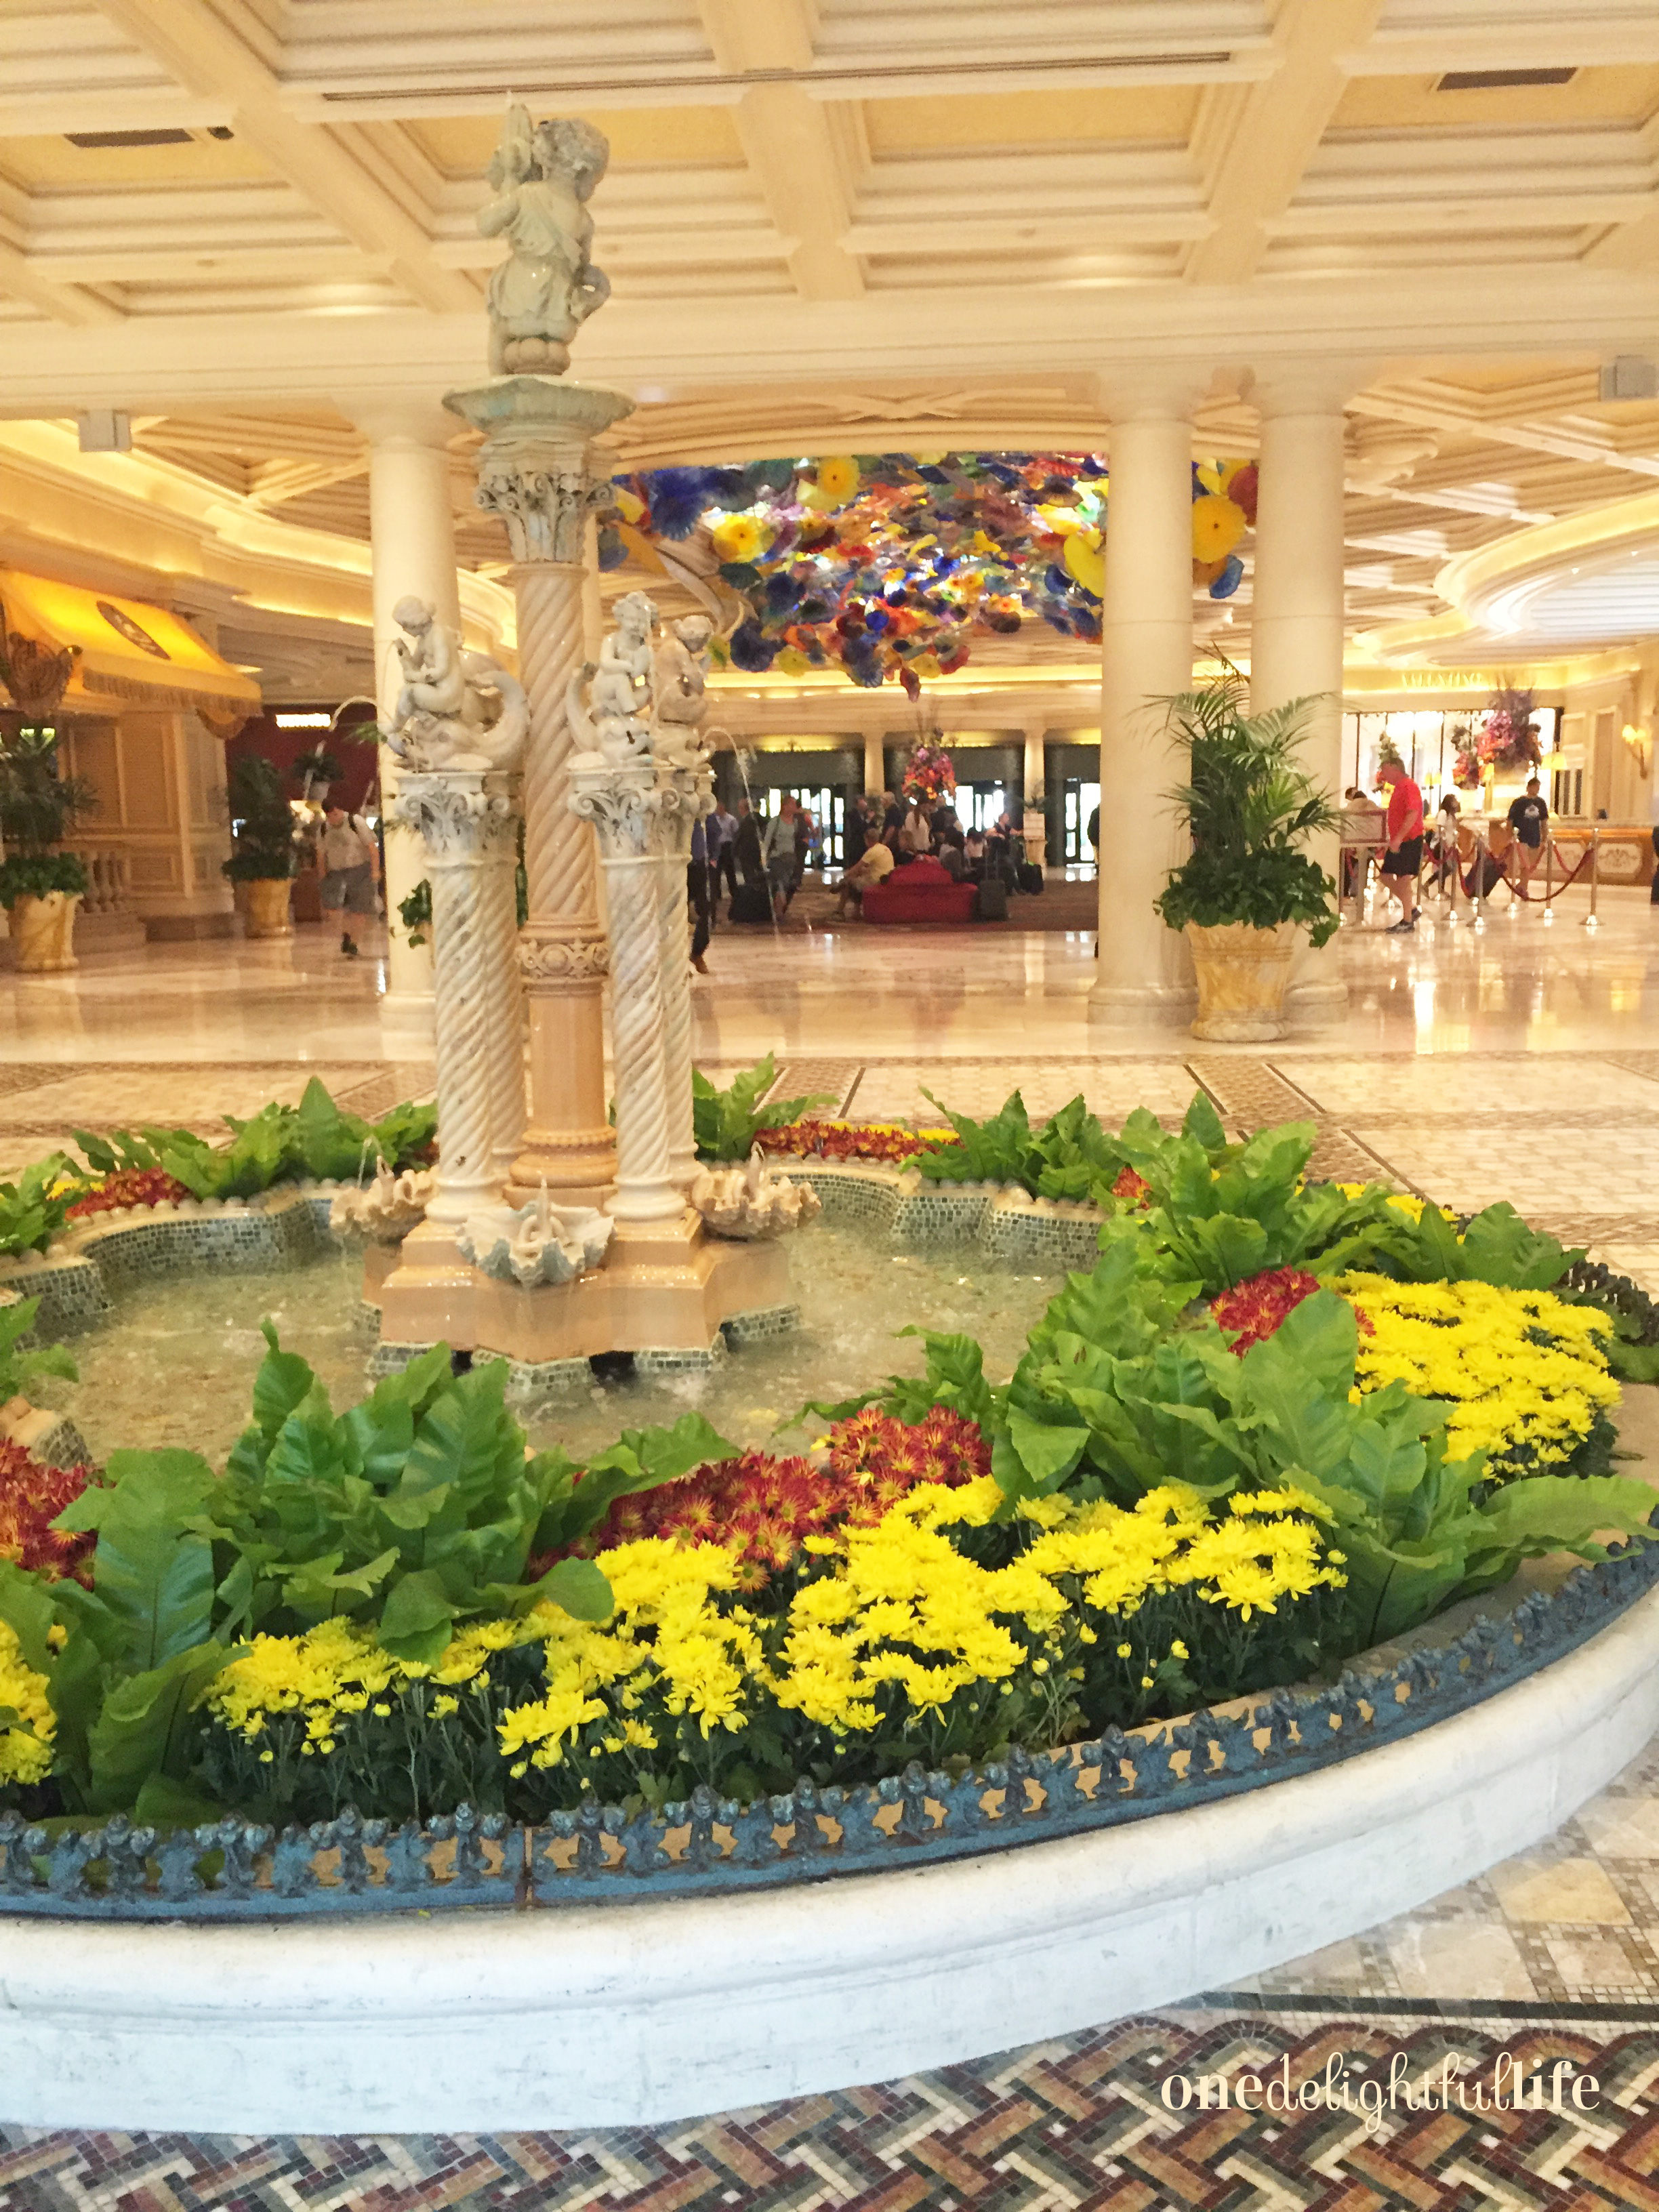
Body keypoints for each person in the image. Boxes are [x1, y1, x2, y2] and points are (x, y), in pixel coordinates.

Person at [317, 800, 380, 957]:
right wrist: (322, 875)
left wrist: (375, 871)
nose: (334, 818)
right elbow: (320, 854)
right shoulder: (324, 829)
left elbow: (371, 847)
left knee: (359, 908)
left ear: (341, 810)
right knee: (333, 907)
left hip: (360, 868)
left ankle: (354, 944)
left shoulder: (355, 822)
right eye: (330, 815)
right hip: (336, 871)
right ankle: (346, 933)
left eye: (336, 814)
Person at [1375, 757, 1424, 932]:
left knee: (1403, 879)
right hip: (1399, 841)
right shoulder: (1398, 788)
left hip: (1408, 840)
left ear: (1395, 769)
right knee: (1386, 876)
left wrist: (1399, 838)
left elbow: (1412, 813)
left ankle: (1407, 920)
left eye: (1385, 770)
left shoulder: (1408, 786)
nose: (1383, 775)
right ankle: (1410, 909)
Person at [836, 832, 894, 918]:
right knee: (857, 881)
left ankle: (839, 911)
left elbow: (857, 867)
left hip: (875, 881)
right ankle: (856, 912)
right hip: (886, 879)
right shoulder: (885, 849)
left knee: (847, 884)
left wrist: (845, 875)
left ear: (867, 840)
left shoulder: (872, 851)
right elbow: (877, 868)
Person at [1506, 777, 1549, 892]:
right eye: (1535, 786)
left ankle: (1522, 885)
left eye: (1538, 787)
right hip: (1522, 837)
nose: (1537, 789)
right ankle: (1524, 888)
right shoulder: (1519, 802)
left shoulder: (1541, 803)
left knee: (1530, 865)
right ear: (1529, 787)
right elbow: (1510, 820)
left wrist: (1545, 837)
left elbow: (1544, 821)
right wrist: (1510, 835)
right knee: (1525, 865)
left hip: (1535, 837)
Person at [762, 794, 800, 922]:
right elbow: (767, 840)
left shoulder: (795, 822)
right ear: (785, 806)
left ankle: (779, 911)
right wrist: (763, 857)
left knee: (786, 885)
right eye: (793, 804)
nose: (795, 807)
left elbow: (794, 841)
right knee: (780, 885)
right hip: (778, 859)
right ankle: (778, 913)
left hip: (790, 859)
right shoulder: (776, 821)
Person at [687, 815, 711, 974]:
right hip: (680, 865)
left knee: (704, 910)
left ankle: (697, 953)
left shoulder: (700, 814)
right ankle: (676, 962)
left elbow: (715, 830)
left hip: (698, 865)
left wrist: (714, 855)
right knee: (674, 911)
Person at [708, 797, 739, 907]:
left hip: (727, 846)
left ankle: (735, 893)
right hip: (717, 846)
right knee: (716, 871)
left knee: (730, 871)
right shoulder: (714, 819)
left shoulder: (731, 819)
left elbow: (736, 833)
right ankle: (717, 895)